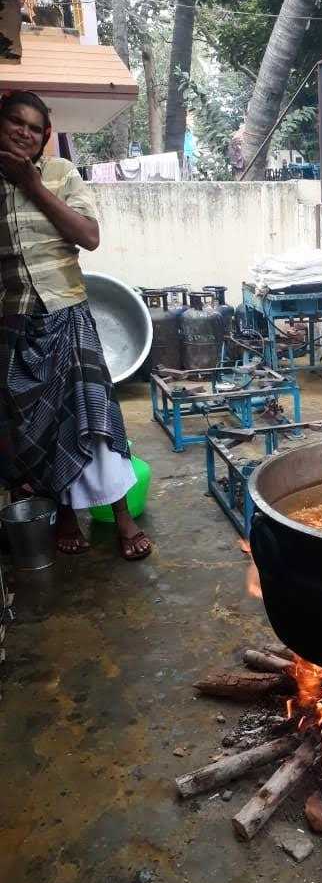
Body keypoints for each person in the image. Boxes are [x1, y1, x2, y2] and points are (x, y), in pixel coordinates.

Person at [0, 90, 152, 560]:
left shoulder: (61, 175)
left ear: (46, 137)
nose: (25, 132)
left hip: (67, 314)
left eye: (35, 127)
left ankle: (122, 517)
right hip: (14, 321)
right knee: (34, 429)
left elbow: (89, 236)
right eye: (16, 123)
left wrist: (32, 185)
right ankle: (65, 514)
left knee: (96, 415)